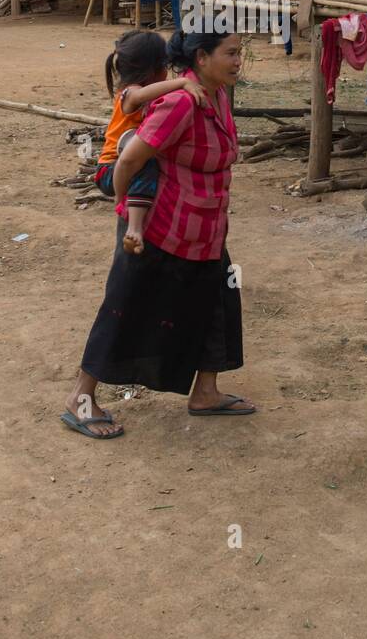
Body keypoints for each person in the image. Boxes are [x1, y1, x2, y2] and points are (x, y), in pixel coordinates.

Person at [61, 26, 255, 440]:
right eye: (231, 53)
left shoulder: (217, 95)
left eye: (240, 52)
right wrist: (125, 208)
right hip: (158, 228)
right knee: (126, 304)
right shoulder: (179, 102)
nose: (239, 61)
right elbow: (129, 161)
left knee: (218, 300)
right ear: (201, 58)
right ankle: (81, 398)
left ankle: (205, 391)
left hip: (205, 226)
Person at [95, 29, 205, 254]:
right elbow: (137, 97)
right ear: (152, 68)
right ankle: (134, 228)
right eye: (164, 64)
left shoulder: (146, 92)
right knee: (145, 163)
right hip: (109, 169)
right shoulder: (129, 93)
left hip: (121, 166)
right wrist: (182, 83)